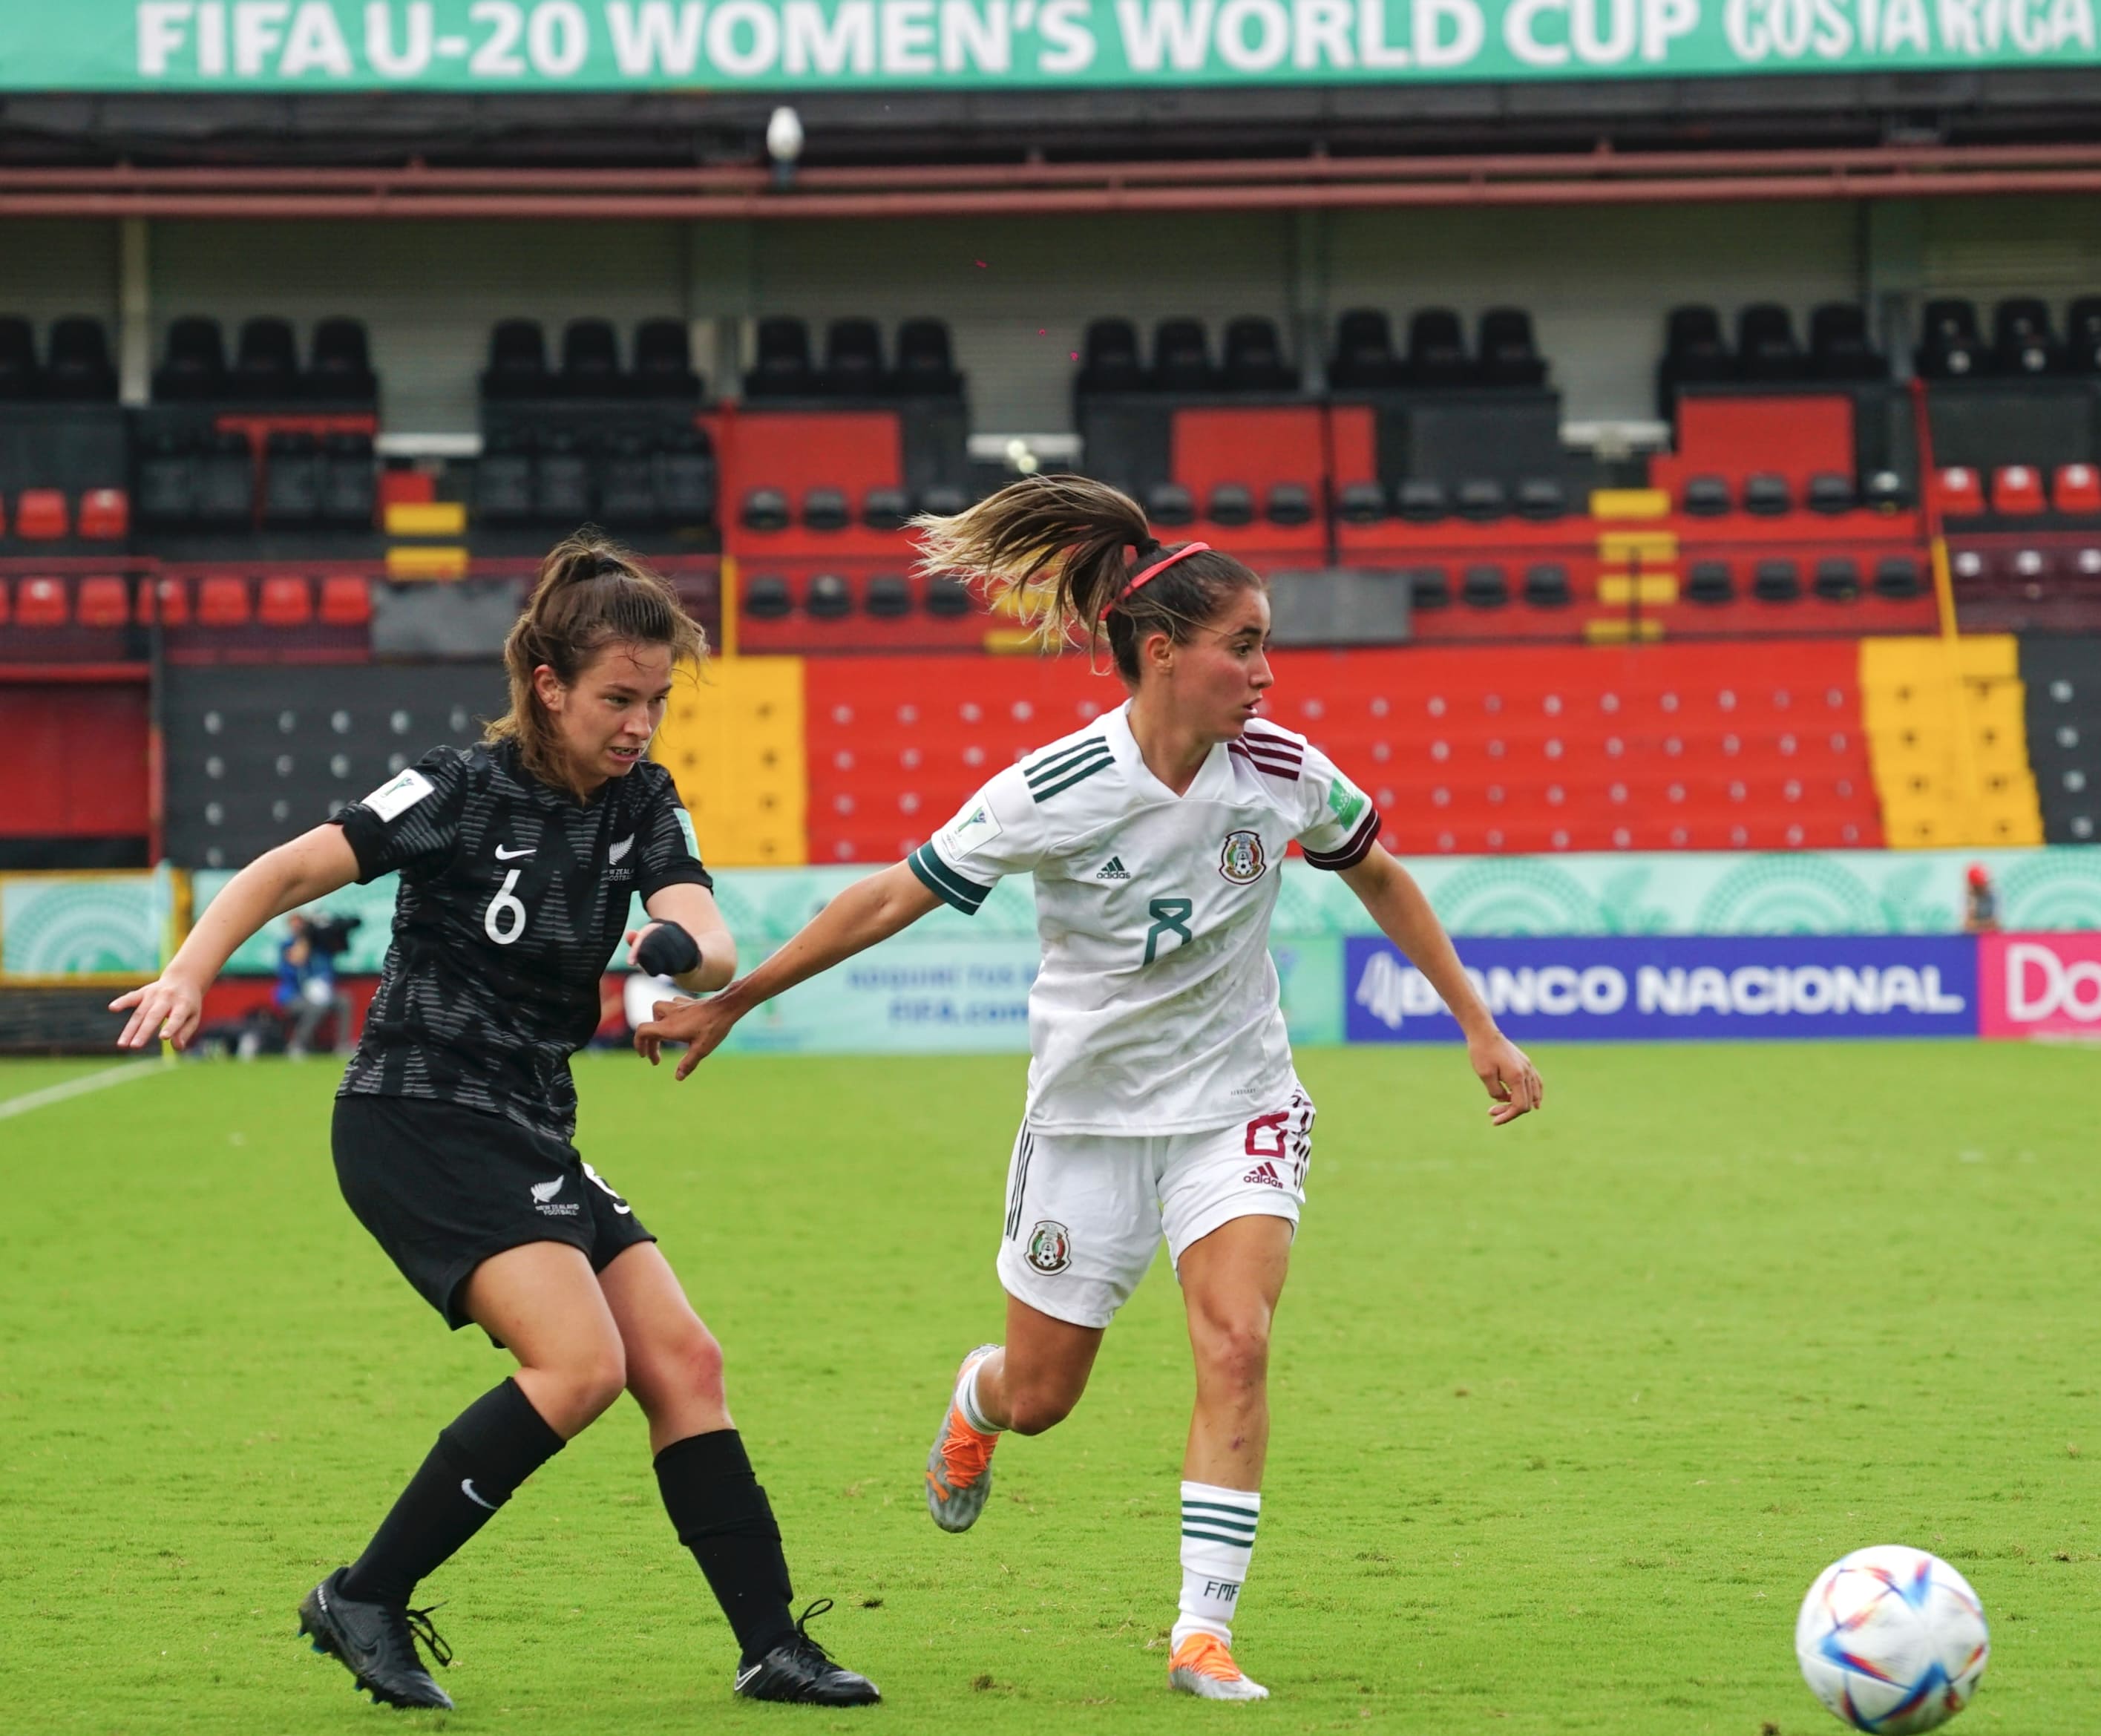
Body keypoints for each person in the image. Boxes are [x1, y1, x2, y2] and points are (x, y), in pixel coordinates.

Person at [638, 476, 1544, 1702]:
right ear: (1162, 652)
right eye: (1245, 645)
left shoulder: (1279, 768)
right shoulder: (1054, 788)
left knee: (1236, 1338)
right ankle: (978, 1396)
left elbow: (1377, 872)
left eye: (1266, 643)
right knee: (1045, 1393)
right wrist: (745, 991)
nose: (1267, 672)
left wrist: (1478, 1023)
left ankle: (1200, 1630)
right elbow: (892, 892)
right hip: (1086, 1126)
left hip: (1238, 1104)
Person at [112, 533, 880, 1712]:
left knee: (684, 1361)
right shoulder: (457, 786)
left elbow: (707, 928)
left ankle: (770, 1644)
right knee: (579, 1367)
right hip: (415, 1113)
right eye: (618, 698)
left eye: (658, 700)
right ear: (548, 686)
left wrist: (674, 952)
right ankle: (363, 1592)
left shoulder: (641, 799)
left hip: (527, 1123)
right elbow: (285, 870)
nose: (640, 723)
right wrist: (191, 968)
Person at [274, 911, 354, 1058]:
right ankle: (297, 1045)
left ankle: (342, 1045)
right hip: (293, 996)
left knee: (344, 1000)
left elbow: (338, 954)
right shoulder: (287, 946)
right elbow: (289, 971)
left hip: (322, 993)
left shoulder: (320, 946)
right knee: (316, 1007)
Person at [1962, 863, 2000, 934]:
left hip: (1992, 937)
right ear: (1974, 887)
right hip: (1972, 938)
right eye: (1980, 885)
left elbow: (1996, 924)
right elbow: (1967, 925)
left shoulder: (1994, 895)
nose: (1985, 887)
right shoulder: (1968, 897)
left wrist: (1977, 924)